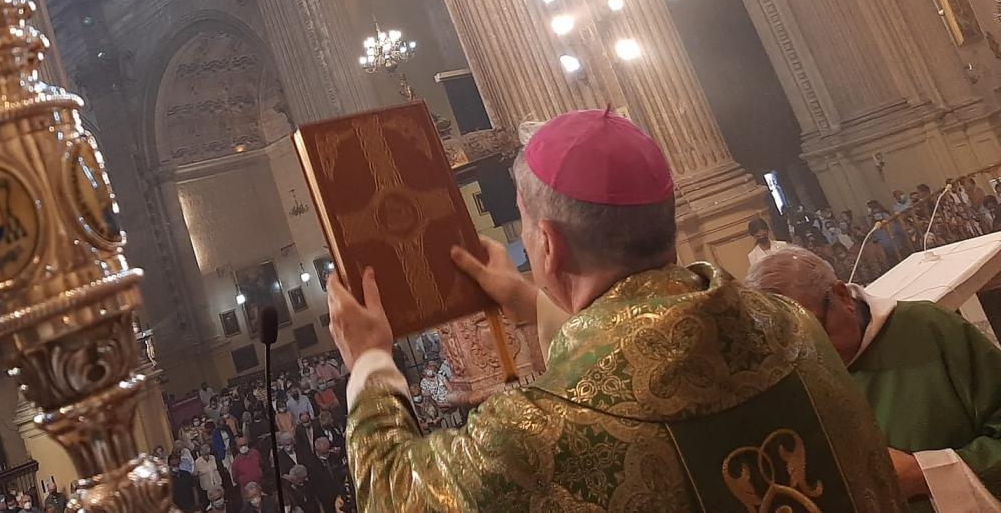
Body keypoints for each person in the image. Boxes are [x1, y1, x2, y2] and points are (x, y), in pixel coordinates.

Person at [326, 108, 904, 511]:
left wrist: (371, 360)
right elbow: (644, 367)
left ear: (547, 244)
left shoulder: (533, 431)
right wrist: (531, 303)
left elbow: (394, 491)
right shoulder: (792, 328)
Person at [746, 247, 1001, 509]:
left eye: (812, 333)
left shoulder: (928, 329)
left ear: (842, 295)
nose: (805, 354)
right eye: (784, 345)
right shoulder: (786, 379)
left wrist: (925, 474)